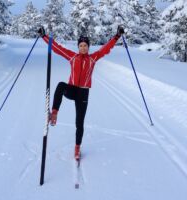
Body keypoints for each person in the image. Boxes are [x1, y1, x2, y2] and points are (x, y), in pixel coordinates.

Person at [38, 26, 125, 160]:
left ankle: (77, 147)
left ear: (88, 47)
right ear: (78, 47)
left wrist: (117, 36)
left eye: (85, 45)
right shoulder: (72, 57)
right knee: (61, 85)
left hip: (83, 94)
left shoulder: (93, 59)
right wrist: (45, 37)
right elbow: (57, 48)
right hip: (72, 90)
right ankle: (54, 113)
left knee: (79, 123)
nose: (83, 48)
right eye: (81, 45)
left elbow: (105, 49)